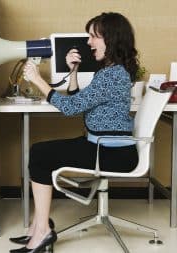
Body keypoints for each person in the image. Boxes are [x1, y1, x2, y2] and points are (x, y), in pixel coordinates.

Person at [9, 12, 140, 253]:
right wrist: (74, 71)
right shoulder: (112, 71)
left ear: (111, 39)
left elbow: (69, 108)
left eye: (93, 36)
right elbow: (79, 100)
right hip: (105, 146)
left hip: (110, 153)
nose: (88, 42)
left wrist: (38, 80)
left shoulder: (112, 75)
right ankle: (38, 225)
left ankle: (42, 231)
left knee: (40, 154)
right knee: (40, 153)